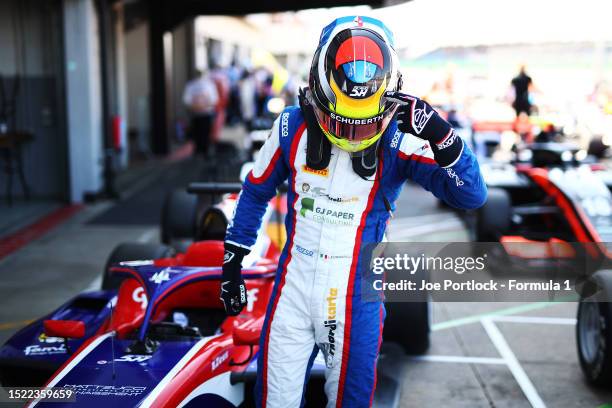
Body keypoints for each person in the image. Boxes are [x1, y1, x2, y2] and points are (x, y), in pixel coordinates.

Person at [220, 16, 487, 408]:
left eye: (363, 124)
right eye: (340, 121)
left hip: (356, 299)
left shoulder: (401, 139)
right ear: (318, 90)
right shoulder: (290, 127)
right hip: (290, 291)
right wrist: (233, 260)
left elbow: (472, 196)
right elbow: (255, 191)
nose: (351, 134)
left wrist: (443, 137)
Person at [183, 70, 218, 156]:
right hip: (205, 113)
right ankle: (204, 151)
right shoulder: (209, 85)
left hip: (196, 114)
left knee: (198, 134)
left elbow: (186, 101)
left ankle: (199, 151)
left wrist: (197, 105)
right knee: (204, 133)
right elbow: (214, 99)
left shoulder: (191, 85)